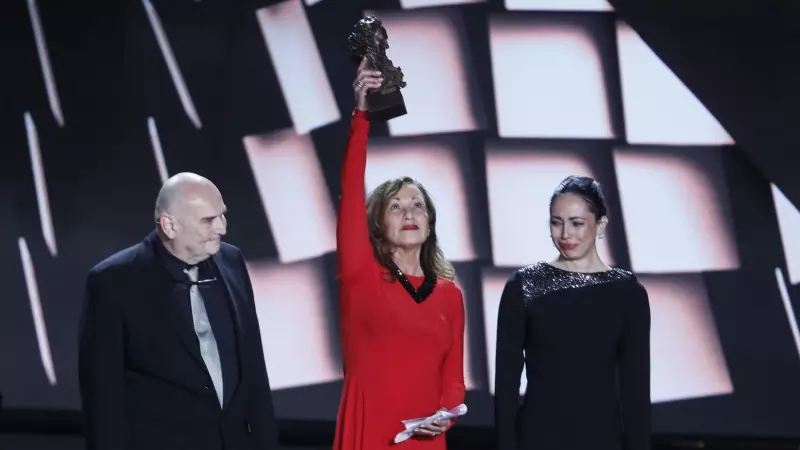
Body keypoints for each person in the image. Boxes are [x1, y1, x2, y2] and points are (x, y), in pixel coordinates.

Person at [78, 173, 279, 450]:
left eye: (222, 215)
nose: (222, 227)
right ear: (169, 225)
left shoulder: (232, 261)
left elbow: (254, 366)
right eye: (208, 220)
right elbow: (103, 398)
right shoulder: (113, 281)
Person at [332, 59, 466, 450]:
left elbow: (454, 378)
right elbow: (351, 189)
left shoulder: (450, 295)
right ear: (377, 226)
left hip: (425, 439)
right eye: (395, 206)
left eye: (418, 206)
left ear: (430, 223)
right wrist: (361, 115)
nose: (409, 213)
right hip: (370, 433)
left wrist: (447, 414)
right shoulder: (361, 276)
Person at [493, 175, 651, 450]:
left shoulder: (628, 292)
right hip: (538, 437)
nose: (565, 234)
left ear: (600, 225)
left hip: (602, 438)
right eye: (557, 222)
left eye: (577, 223)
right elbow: (505, 387)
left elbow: (635, 391)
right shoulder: (524, 286)